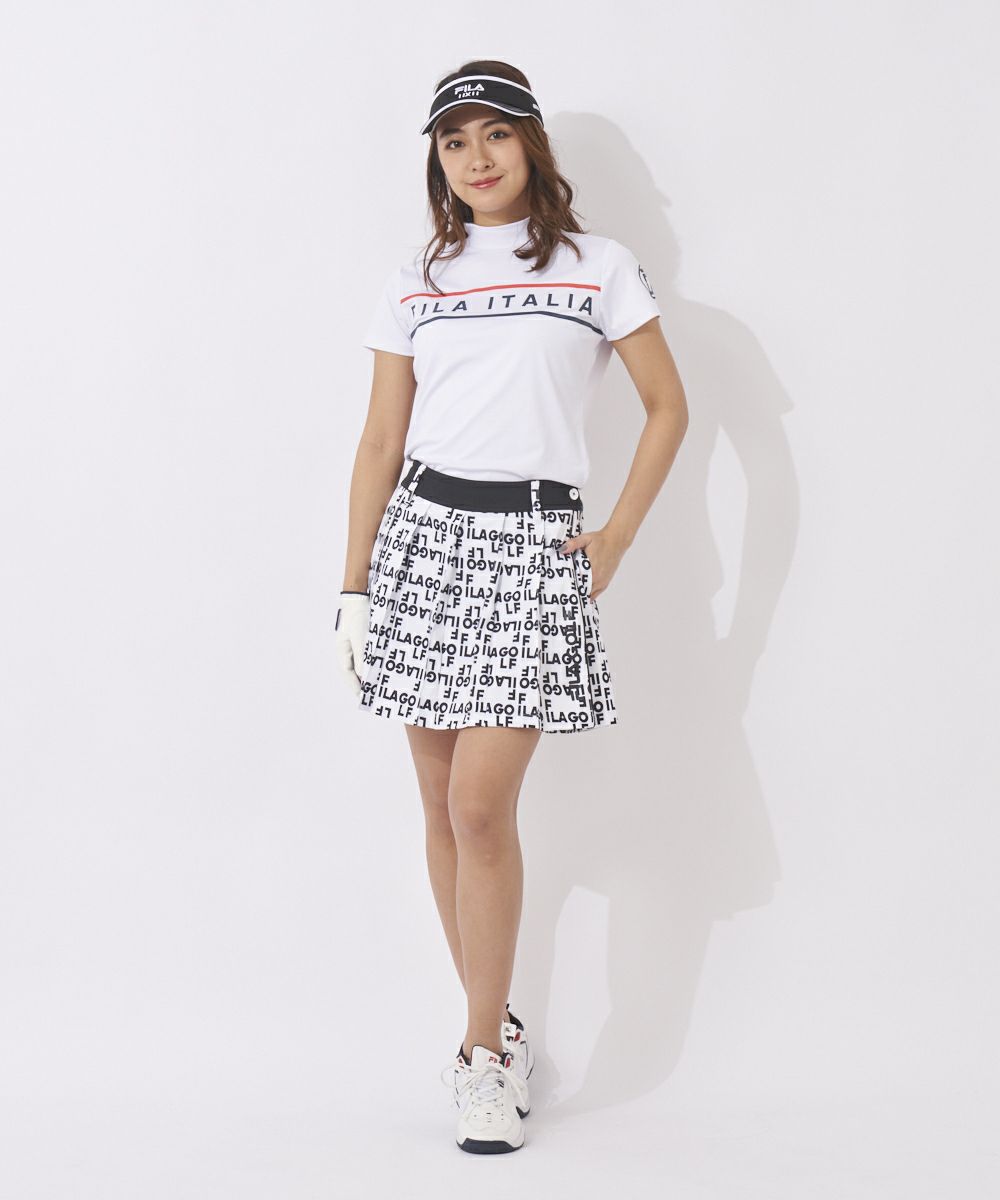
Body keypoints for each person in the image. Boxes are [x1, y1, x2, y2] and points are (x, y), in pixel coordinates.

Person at [334, 60, 688, 1153]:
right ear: (437, 161)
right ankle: (494, 1038)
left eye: (495, 134)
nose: (476, 158)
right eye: (454, 141)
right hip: (424, 544)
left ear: (532, 144)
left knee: (481, 807)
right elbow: (381, 440)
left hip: (533, 544)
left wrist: (616, 533)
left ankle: (482, 1054)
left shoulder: (597, 266)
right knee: (441, 808)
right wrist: (353, 585)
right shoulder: (418, 277)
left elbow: (668, 407)